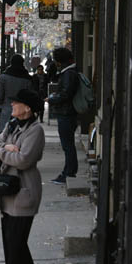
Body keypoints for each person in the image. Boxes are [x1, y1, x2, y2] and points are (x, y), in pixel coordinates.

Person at [0, 88, 44, 264]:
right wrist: (6, 149)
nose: (11, 105)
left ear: (27, 108)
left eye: (16, 103)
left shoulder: (35, 130)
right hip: (6, 192)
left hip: (24, 191)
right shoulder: (12, 125)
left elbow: (23, 160)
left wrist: (2, 151)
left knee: (16, 239)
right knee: (9, 238)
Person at [46, 47, 79, 184]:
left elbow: (66, 94)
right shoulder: (69, 72)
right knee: (68, 144)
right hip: (67, 112)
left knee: (67, 145)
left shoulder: (68, 74)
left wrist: (52, 99)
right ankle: (69, 171)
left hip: (66, 113)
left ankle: (69, 172)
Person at [0, 53, 33, 133]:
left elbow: (0, 94)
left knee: (5, 133)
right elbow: (30, 95)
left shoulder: (4, 77)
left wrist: (0, 103)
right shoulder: (27, 78)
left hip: (7, 107)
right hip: (22, 110)